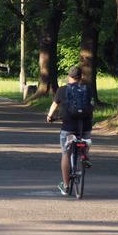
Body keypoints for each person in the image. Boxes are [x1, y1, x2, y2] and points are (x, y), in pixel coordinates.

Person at [46, 66, 94, 196]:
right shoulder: (88, 90)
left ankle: (66, 186)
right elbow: (91, 106)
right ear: (81, 77)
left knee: (65, 154)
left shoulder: (62, 90)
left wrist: (50, 116)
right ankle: (85, 155)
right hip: (85, 126)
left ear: (69, 76)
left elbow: (54, 105)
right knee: (85, 140)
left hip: (68, 127)